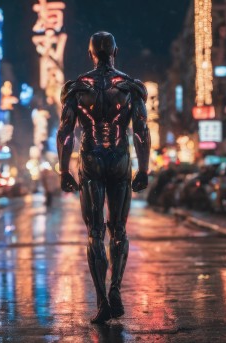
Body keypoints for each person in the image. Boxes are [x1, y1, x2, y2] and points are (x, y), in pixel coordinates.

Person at [57, 32, 151, 324]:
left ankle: (101, 301)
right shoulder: (130, 87)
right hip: (120, 159)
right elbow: (141, 131)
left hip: (91, 159)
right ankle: (115, 290)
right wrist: (144, 167)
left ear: (90, 54)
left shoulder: (76, 88)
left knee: (95, 232)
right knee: (119, 230)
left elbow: (66, 132)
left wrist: (63, 169)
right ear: (115, 52)